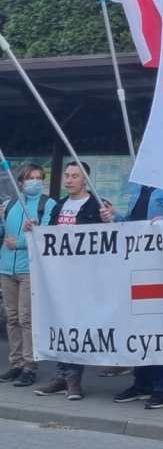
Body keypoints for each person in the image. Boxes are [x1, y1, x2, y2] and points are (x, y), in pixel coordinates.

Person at [101, 182, 163, 409]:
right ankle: (142, 384)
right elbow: (133, 225)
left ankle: (162, 388)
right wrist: (116, 217)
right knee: (140, 327)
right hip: (139, 267)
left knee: (162, 329)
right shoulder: (137, 190)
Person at [32, 161, 100, 399]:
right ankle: (61, 375)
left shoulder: (96, 206)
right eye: (67, 175)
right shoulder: (59, 206)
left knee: (77, 326)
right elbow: (49, 235)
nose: (69, 180)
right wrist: (35, 231)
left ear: (85, 180)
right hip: (59, 276)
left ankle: (73, 378)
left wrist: (109, 219)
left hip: (84, 276)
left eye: (75, 176)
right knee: (61, 324)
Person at [0, 164, 56, 388]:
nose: (35, 181)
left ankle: (29, 366)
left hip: (29, 269)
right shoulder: (11, 204)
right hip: (6, 268)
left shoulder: (48, 204)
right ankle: (16, 362)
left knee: (26, 318)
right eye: (30, 178)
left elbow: (47, 235)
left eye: (39, 178)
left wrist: (21, 242)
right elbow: (4, 234)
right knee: (12, 318)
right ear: (20, 183)